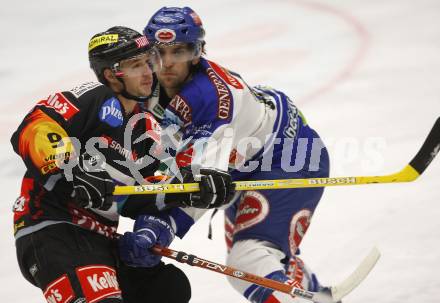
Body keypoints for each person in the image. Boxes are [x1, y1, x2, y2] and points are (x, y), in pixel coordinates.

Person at [11, 25, 234, 303]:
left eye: (149, 62)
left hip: (100, 239)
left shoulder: (146, 127)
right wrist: (69, 168)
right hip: (54, 228)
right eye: (135, 66)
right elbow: (35, 128)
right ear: (110, 74)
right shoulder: (95, 97)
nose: (147, 72)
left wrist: (190, 187)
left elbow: (140, 195)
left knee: (167, 289)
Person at [138, 6, 331, 303]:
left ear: (198, 52)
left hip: (290, 155)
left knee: (249, 259)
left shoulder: (211, 100)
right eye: (158, 53)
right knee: (263, 256)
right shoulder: (147, 87)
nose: (166, 64)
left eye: (179, 52)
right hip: (243, 162)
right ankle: (316, 296)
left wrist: (160, 224)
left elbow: (196, 187)